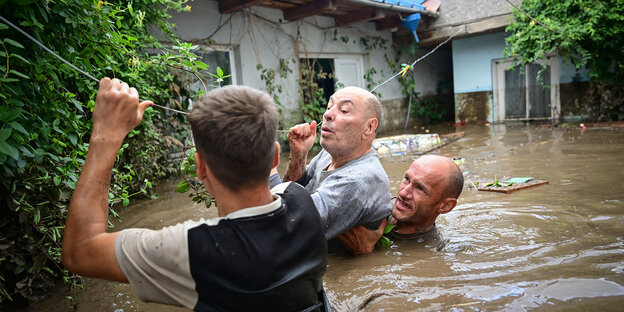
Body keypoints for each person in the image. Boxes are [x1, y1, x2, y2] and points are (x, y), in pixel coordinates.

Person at [62, 79, 329, 311]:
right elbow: (276, 193)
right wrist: (299, 154)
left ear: (200, 168)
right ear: (274, 155)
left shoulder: (195, 249)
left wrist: (105, 136)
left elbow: (80, 251)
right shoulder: (302, 199)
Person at [271, 86, 392, 249]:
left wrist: (268, 166)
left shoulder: (357, 180)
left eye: (344, 110)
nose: (327, 114)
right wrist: (298, 156)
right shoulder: (330, 154)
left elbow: (281, 227)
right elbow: (293, 190)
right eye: (329, 107)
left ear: (369, 127)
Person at [337, 155, 464, 254]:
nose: (403, 193)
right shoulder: (377, 205)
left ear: (445, 206)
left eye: (420, 188)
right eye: (407, 179)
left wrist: (363, 253)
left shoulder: (429, 252)